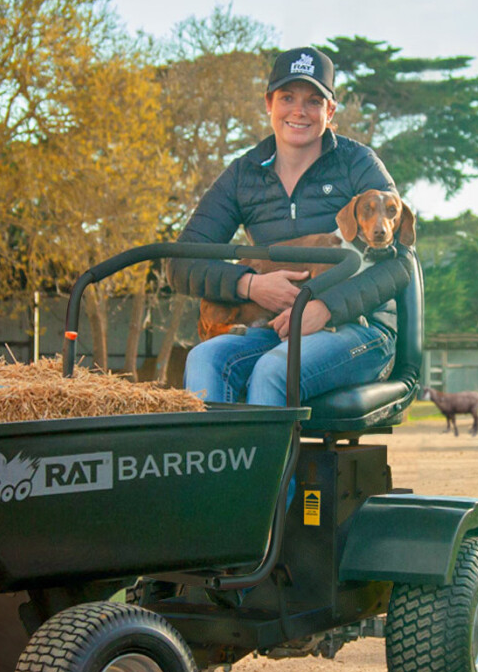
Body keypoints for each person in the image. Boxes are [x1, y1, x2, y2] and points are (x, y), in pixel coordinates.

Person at [171, 46, 413, 406]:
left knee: (274, 370)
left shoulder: (357, 164)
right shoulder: (244, 173)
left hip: (359, 329)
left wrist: (326, 307)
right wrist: (250, 285)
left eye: (314, 101)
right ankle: (220, 461)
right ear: (269, 103)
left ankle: (273, 464)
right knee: (203, 358)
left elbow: (401, 261)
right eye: (287, 97)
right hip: (275, 328)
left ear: (330, 112)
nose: (299, 111)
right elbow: (181, 263)